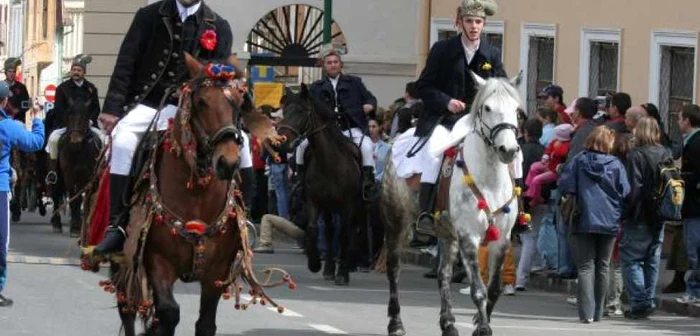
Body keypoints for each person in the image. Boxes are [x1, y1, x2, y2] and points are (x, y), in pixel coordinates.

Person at [93, 0, 243, 255]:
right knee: (123, 141)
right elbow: (126, 61)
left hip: (196, 110)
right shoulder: (148, 16)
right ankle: (117, 224)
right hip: (148, 103)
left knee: (245, 147)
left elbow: (221, 83)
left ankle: (241, 221)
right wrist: (113, 108)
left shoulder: (219, 26)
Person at [409, 0, 507, 236]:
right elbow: (423, 86)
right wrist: (446, 101)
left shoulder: (491, 54)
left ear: (484, 25)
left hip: (479, 122)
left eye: (479, 22)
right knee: (434, 153)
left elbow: (501, 86)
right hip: (446, 119)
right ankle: (426, 211)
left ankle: (514, 210)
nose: (474, 27)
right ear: (459, 23)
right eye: (470, 21)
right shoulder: (442, 50)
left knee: (511, 153)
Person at [559, 126, 630, 323]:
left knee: (585, 267)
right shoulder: (616, 164)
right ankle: (598, 313)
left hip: (583, 218)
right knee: (603, 266)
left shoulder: (578, 161)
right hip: (609, 220)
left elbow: (566, 186)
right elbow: (625, 191)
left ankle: (586, 314)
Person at [294, 46, 379, 201]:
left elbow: (370, 98)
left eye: (335, 62)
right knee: (301, 147)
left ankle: (368, 183)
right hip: (326, 131)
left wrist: (370, 105)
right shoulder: (316, 87)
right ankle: (299, 182)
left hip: (350, 129)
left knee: (366, 146)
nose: (333, 65)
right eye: (329, 62)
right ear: (324, 66)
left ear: (340, 65)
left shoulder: (355, 82)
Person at [621, 117, 672, 319]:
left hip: (640, 213)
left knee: (632, 259)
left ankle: (640, 303)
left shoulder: (636, 155)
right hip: (660, 213)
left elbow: (634, 189)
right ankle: (648, 300)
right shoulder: (665, 153)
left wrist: (626, 212)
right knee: (652, 259)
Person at [0, 82, 46, 307]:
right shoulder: (9, 126)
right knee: (0, 242)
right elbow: (36, 142)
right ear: (5, 101)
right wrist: (38, 116)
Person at [45, 54, 103, 185]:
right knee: (53, 139)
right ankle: (53, 171)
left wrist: (90, 121)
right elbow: (58, 109)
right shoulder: (62, 88)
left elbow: (96, 108)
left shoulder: (91, 88)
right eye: (74, 69)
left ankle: (101, 170)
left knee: (103, 139)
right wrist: (70, 122)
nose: (76, 72)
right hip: (67, 125)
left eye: (79, 70)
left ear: (84, 72)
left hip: (87, 125)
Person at [676, 104, 700, 305]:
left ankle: (695, 290)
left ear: (688, 120)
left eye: (680, 118)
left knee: (694, 249)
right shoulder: (689, 141)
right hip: (692, 204)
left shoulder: (696, 143)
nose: (678, 122)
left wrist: (679, 178)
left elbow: (694, 175)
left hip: (695, 204)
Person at [524, 123, 573, 207]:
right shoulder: (555, 141)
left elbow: (562, 154)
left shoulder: (567, 145)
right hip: (549, 163)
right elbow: (549, 149)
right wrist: (546, 155)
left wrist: (557, 148)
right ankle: (529, 187)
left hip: (555, 170)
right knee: (533, 167)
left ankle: (536, 198)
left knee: (537, 180)